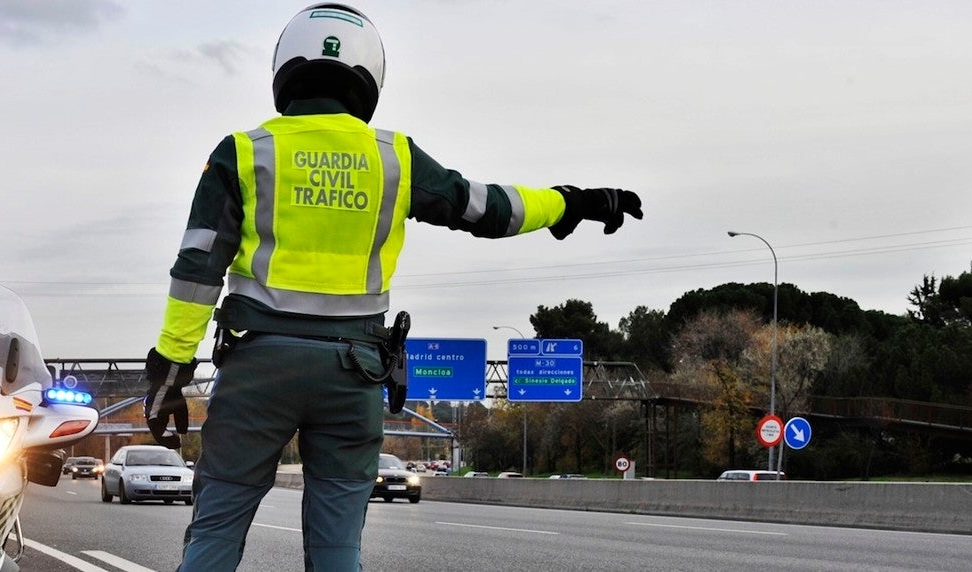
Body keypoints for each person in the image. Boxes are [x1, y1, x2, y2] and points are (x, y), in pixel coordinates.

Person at [141, 4, 643, 570]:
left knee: (215, 530)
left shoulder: (244, 151)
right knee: (336, 547)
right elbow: (485, 206)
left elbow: (197, 268)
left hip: (258, 370)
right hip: (353, 374)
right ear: (369, 76)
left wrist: (172, 364)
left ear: (284, 68)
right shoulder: (394, 159)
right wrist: (570, 202)